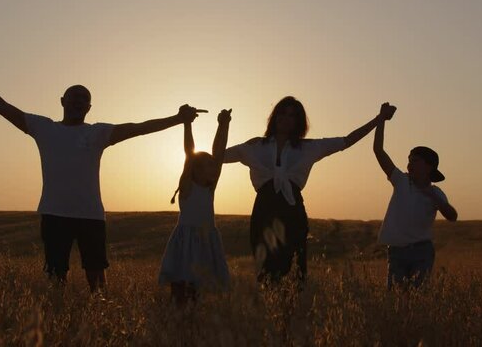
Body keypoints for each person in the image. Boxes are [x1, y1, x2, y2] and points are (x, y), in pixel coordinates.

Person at [0, 56, 204, 293]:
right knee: (55, 276)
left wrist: (177, 118)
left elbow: (140, 128)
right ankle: (58, 317)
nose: (78, 102)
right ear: (62, 101)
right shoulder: (43, 128)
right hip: (54, 214)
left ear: (89, 107)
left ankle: (99, 318)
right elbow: (0, 105)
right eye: (74, 98)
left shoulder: (98, 133)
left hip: (90, 215)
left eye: (84, 100)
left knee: (97, 277)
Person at [223, 96, 396, 284]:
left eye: (292, 115)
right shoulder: (255, 146)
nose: (285, 118)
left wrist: (379, 119)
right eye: (282, 113)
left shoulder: (308, 148)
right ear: (275, 116)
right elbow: (217, 157)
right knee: (266, 270)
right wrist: (220, 126)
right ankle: (270, 308)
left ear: (298, 122)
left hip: (292, 211)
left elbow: (347, 140)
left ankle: (290, 308)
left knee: (295, 271)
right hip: (264, 211)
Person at [372, 102, 458, 289]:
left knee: (418, 301)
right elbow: (378, 151)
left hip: (422, 253)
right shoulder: (401, 181)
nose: (409, 165)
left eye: (415, 161)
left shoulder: (436, 193)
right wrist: (382, 120)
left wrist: (433, 197)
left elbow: (453, 216)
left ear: (429, 167)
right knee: (396, 302)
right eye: (409, 160)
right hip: (396, 253)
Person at [158, 109, 232, 306]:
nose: (214, 168)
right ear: (196, 169)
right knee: (181, 285)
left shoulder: (210, 189)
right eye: (208, 165)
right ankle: (177, 316)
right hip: (187, 241)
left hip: (206, 239)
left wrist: (223, 125)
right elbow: (189, 155)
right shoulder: (187, 187)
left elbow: (219, 154)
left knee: (197, 289)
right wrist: (187, 124)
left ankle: (192, 319)